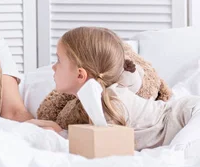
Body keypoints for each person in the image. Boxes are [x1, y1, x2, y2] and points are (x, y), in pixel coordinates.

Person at [50, 26, 200, 150]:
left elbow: (102, 144)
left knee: (176, 154)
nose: (53, 67)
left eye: (58, 60)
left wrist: (61, 134)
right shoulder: (95, 99)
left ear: (80, 75)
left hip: (187, 113)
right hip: (182, 117)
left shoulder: (111, 102)